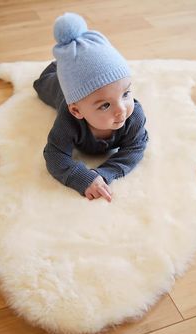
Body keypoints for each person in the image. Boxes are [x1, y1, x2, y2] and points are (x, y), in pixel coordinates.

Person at [33, 13, 148, 202]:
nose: (121, 110)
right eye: (105, 105)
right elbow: (55, 155)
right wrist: (82, 178)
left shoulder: (133, 115)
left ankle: (73, 66)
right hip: (61, 89)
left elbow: (135, 148)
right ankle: (62, 65)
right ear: (77, 111)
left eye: (125, 93)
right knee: (43, 83)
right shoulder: (68, 120)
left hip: (80, 83)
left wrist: (104, 174)